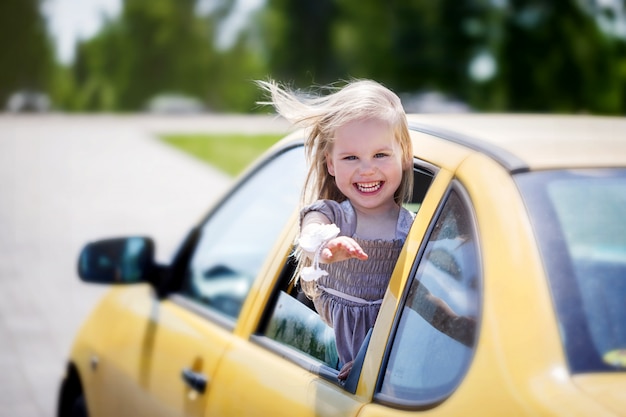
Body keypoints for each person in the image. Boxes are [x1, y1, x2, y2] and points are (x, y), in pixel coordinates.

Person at [258, 79, 415, 380]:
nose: (366, 169)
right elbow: (311, 234)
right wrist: (326, 248)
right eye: (351, 157)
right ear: (331, 164)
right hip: (327, 351)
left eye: (380, 155)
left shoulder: (412, 231)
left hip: (384, 362)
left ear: (405, 154)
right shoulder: (332, 215)